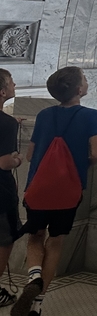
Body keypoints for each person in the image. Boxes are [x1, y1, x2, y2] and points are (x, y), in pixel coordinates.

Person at [15, 67, 97, 316]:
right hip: (68, 190)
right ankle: (39, 302)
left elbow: (31, 154)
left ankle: (33, 275)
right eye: (84, 79)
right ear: (79, 90)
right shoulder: (91, 116)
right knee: (56, 242)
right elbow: (96, 153)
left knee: (35, 236)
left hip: (38, 188)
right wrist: (77, 165)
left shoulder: (43, 115)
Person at [0, 70, 19, 307]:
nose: (15, 85)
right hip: (1, 192)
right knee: (5, 240)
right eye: (12, 82)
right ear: (3, 91)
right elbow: (4, 162)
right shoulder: (6, 123)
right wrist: (17, 160)